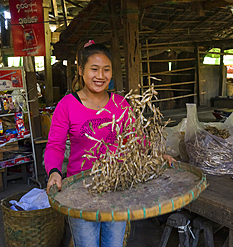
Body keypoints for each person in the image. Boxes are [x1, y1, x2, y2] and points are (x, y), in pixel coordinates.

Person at [45, 42, 174, 247]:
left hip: (117, 187)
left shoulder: (120, 104)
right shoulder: (67, 105)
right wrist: (54, 171)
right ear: (81, 70)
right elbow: (55, 145)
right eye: (94, 69)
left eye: (106, 70)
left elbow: (136, 138)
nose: (100, 76)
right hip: (81, 190)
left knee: (113, 244)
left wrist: (156, 154)